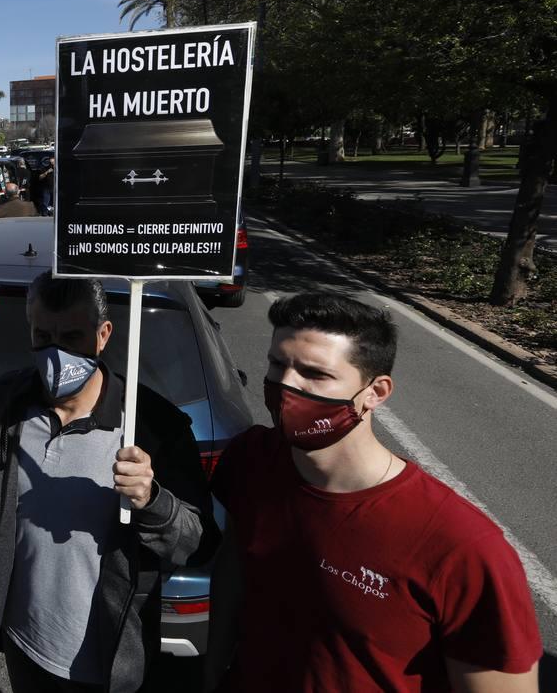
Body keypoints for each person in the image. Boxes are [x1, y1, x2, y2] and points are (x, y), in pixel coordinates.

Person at [204, 292, 541, 693]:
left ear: (375, 393)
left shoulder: (463, 546)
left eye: (315, 373)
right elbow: (233, 571)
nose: (285, 385)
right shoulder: (253, 459)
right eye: (278, 364)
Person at [0, 272, 214, 691]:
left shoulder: (152, 426)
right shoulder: (11, 398)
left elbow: (199, 542)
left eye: (72, 337)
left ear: (103, 335)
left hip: (106, 661)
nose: (56, 352)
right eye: (42, 335)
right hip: (23, 641)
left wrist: (153, 501)